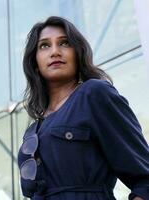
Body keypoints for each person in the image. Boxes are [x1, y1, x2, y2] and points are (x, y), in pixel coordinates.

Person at [17, 16, 149, 200]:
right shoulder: (35, 128)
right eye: (44, 46)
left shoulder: (94, 94)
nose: (55, 51)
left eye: (64, 43)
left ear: (77, 53)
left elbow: (145, 180)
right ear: (35, 63)